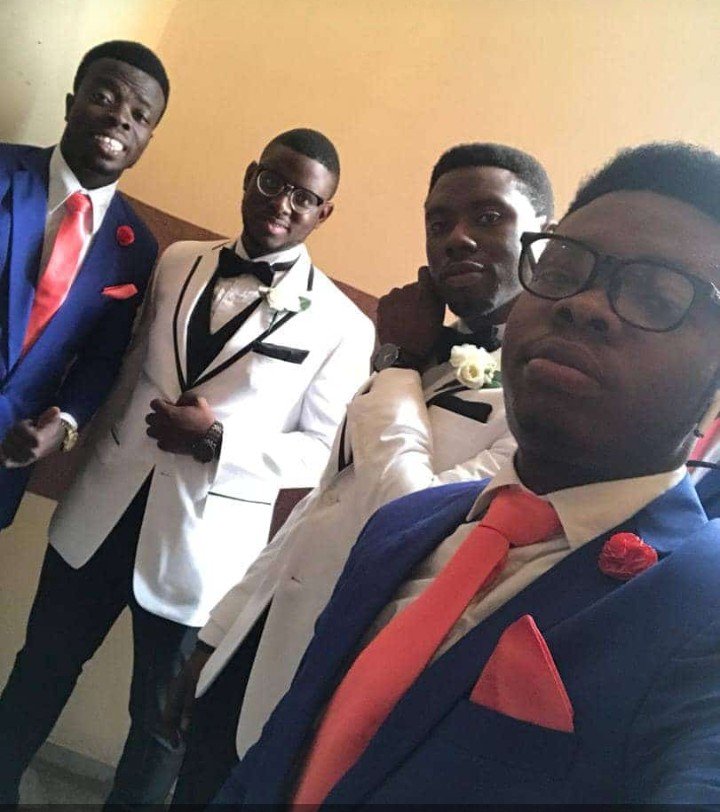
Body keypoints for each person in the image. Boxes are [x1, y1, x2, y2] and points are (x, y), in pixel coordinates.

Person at [214, 142, 720, 806]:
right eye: (564, 268)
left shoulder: (700, 609)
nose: (585, 304)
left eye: (656, 296)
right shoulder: (407, 527)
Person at [169, 143, 554, 805]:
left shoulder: (537, 396)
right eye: (439, 222)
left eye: (489, 217)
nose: (457, 237)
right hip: (254, 653)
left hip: (334, 688)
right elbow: (324, 502)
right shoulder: (427, 352)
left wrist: (397, 364)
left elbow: (412, 524)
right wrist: (218, 634)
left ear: (541, 238)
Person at [0, 128, 374, 807]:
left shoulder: (344, 326)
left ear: (325, 212)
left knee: (160, 726)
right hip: (100, 512)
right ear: (249, 175)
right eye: (272, 182)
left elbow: (319, 453)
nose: (282, 203)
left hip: (203, 550)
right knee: (39, 670)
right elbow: (125, 365)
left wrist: (218, 441)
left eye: (303, 197)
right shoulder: (176, 261)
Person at [0, 40, 167, 529]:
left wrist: (65, 424)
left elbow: (102, 357)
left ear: (148, 139)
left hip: (8, 455)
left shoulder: (135, 247)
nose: (120, 119)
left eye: (140, 116)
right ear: (71, 104)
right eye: (105, 97)